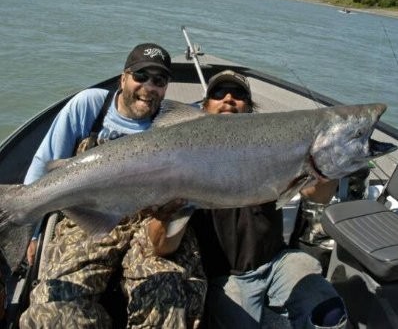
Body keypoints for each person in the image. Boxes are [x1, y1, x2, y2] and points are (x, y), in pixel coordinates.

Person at [19, 43, 206, 329]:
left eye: (159, 81)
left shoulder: (176, 123)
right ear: (123, 78)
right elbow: (44, 163)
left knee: (168, 304)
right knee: (54, 309)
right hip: (89, 216)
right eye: (141, 76)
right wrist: (31, 232)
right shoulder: (91, 106)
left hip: (152, 221)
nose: (149, 86)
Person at [143, 70, 346, 329]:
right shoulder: (180, 159)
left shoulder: (273, 149)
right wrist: (168, 213)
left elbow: (318, 196)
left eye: (239, 95)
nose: (228, 99)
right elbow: (160, 247)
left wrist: (327, 164)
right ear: (204, 107)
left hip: (277, 262)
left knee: (329, 314)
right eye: (218, 93)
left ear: (249, 109)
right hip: (226, 279)